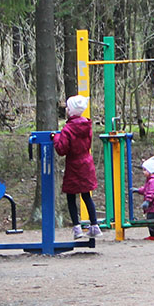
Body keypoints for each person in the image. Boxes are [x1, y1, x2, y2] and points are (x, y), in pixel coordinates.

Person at [53, 95, 101, 239]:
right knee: (86, 195)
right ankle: (94, 225)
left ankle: (77, 227)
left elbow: (62, 149)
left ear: (71, 111)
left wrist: (56, 137)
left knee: (71, 196)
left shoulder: (68, 129)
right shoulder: (87, 125)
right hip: (87, 163)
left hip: (74, 165)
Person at [135, 156, 154, 241]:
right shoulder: (151, 180)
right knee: (152, 219)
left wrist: (148, 201)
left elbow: (152, 191)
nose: (143, 172)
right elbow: (146, 189)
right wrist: (138, 190)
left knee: (152, 220)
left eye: (145, 170)